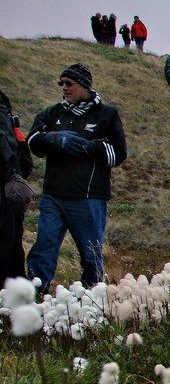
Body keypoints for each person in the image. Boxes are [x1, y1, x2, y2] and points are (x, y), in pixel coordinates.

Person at [25, 64, 127, 294]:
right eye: (61, 83)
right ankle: (35, 296)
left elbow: (119, 154)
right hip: (53, 196)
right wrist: (52, 138)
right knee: (43, 248)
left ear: (84, 85)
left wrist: (91, 148)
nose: (64, 88)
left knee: (90, 255)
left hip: (88, 198)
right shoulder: (53, 113)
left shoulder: (106, 115)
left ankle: (93, 299)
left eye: (68, 83)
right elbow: (31, 142)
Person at [0, 89, 35, 282]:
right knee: (11, 242)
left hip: (5, 184)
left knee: (7, 242)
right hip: (10, 184)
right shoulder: (4, 104)